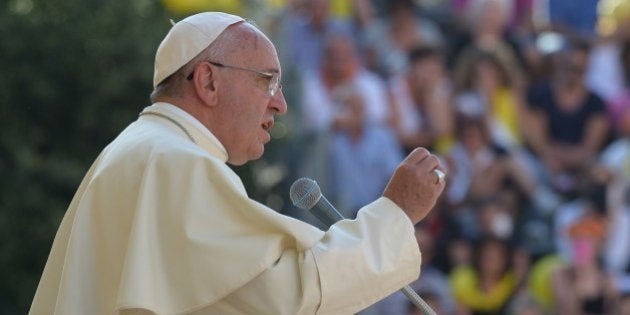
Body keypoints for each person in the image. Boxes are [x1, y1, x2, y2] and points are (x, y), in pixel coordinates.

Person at [29, 12, 446, 315]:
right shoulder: (176, 163)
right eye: (267, 81)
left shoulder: (139, 149)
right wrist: (395, 214)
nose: (280, 104)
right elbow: (284, 297)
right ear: (208, 81)